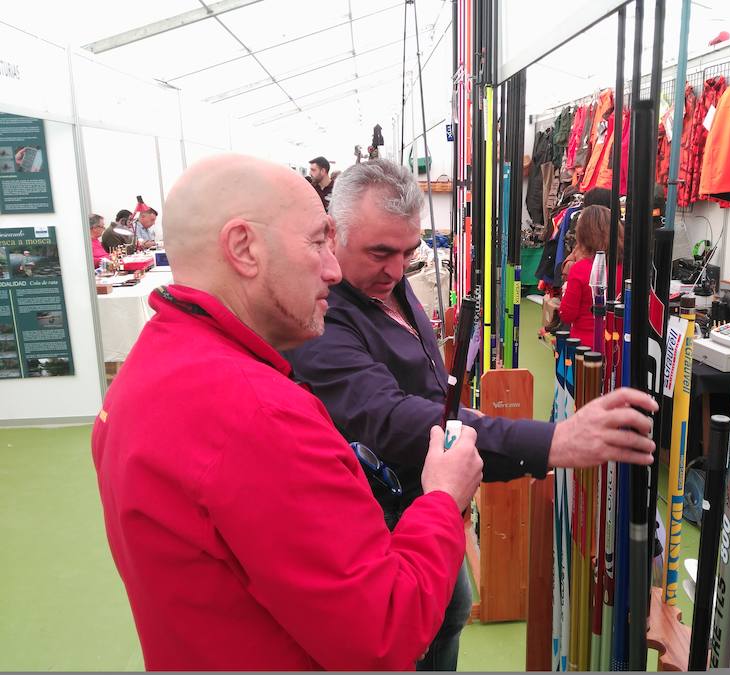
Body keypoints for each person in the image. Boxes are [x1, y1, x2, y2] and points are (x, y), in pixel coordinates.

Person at [91, 154, 484, 670]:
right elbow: (384, 632)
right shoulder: (259, 414)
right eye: (317, 240)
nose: (332, 267)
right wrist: (442, 499)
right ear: (243, 248)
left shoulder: (146, 369)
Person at [284, 159, 657, 671]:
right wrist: (554, 441)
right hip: (378, 516)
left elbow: (411, 375)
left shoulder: (382, 279)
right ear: (333, 232)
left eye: (408, 252)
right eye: (380, 252)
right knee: (409, 637)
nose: (395, 270)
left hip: (427, 502)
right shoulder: (321, 312)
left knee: (451, 607)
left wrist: (453, 407)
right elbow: (388, 417)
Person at [558, 205, 623, 349]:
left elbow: (567, 314)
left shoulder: (580, 270)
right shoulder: (625, 270)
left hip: (584, 349)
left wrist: (565, 290)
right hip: (617, 346)